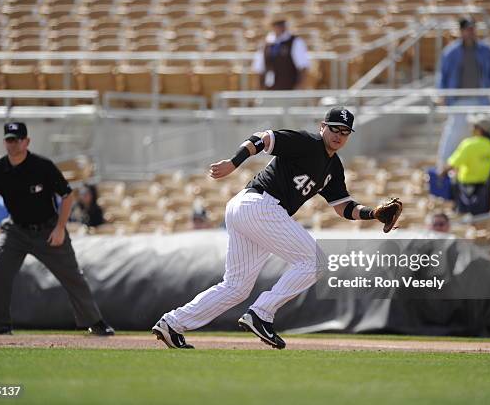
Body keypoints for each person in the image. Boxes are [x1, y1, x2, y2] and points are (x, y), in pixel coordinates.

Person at [152, 107, 402, 349]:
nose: (338, 135)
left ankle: (172, 323)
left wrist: (374, 214)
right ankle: (261, 313)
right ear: (322, 127)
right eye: (334, 128)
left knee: (236, 287)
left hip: (249, 210)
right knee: (315, 261)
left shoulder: (333, 167)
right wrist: (234, 162)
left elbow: (343, 207)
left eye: (345, 131)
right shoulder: (307, 142)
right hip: (259, 204)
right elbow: (263, 138)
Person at [0, 122, 114, 336]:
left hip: (47, 229)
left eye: (17, 139)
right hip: (16, 229)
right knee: (0, 269)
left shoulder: (42, 166)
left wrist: (59, 228)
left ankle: (95, 321)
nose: (13, 143)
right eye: (9, 139)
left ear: (27, 141)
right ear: (4, 142)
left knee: (72, 275)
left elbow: (67, 196)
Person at [437, 17, 490, 170]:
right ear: (461, 31)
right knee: (453, 135)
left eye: (473, 29)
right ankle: (442, 166)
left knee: (485, 134)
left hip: (481, 99)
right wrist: (442, 94)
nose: (471, 32)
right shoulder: (451, 52)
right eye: (467, 29)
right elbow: (443, 76)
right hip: (458, 100)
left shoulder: (485, 50)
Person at [441, 115, 490, 215]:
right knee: (482, 221)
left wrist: (440, 175)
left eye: (474, 126)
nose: (471, 129)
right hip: (486, 193)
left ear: (479, 129)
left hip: (464, 192)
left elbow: (450, 165)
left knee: (463, 219)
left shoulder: (468, 145)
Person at [252, 17, 310, 90]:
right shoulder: (266, 44)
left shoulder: (295, 41)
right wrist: (259, 88)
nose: (279, 28)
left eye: (281, 25)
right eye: (276, 25)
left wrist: (300, 85)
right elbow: (259, 69)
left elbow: (303, 66)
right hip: (269, 88)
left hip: (290, 87)